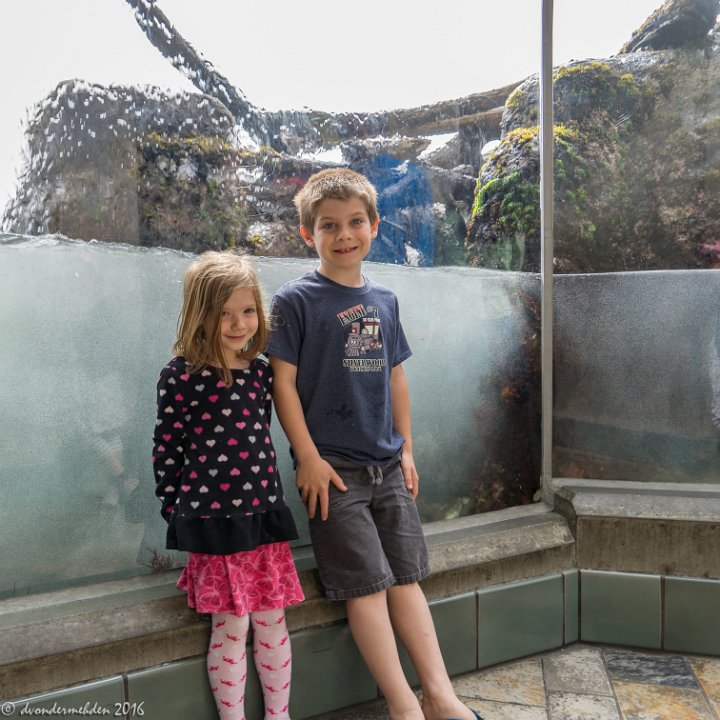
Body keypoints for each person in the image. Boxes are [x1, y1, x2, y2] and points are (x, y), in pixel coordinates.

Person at [268, 168, 482, 720]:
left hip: (387, 466)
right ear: (307, 234)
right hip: (333, 475)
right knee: (366, 588)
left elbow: (396, 377)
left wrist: (406, 449)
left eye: (355, 222)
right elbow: (282, 383)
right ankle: (403, 705)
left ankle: (441, 697)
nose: (344, 234)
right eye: (329, 225)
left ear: (375, 226)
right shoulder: (295, 300)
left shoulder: (384, 299)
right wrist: (308, 457)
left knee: (407, 579)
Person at [152, 251, 304, 720]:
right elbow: (167, 447)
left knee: (273, 620)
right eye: (224, 314)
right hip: (214, 524)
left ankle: (279, 716)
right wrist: (174, 508)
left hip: (262, 518)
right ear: (201, 314)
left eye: (248, 311)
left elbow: (260, 435)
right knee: (232, 625)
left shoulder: (261, 372)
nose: (240, 324)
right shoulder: (179, 375)